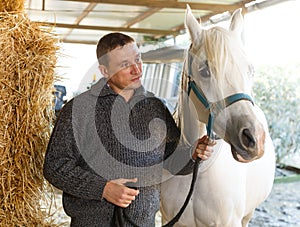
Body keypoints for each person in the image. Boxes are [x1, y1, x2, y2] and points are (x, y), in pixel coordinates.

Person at [43, 32, 215, 227]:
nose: (137, 69)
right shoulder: (78, 109)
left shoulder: (156, 107)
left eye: (138, 59)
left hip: (143, 223)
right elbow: (54, 166)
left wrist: (193, 155)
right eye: (125, 64)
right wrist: (103, 189)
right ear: (105, 70)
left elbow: (172, 159)